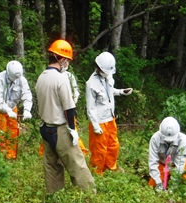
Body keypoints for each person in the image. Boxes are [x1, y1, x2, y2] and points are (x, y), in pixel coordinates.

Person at [35, 39, 96, 194]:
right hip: (60, 129)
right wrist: (72, 129)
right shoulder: (61, 79)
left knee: (52, 166)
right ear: (61, 59)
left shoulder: (41, 77)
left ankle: (54, 197)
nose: (67, 63)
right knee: (77, 164)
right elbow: (69, 108)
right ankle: (89, 195)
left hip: (44, 128)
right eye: (67, 60)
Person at [86, 51, 133, 176]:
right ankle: (97, 172)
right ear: (99, 68)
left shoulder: (108, 76)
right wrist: (95, 126)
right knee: (99, 149)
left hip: (110, 118)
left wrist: (122, 92)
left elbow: (110, 91)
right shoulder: (91, 84)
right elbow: (90, 108)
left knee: (113, 145)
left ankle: (110, 167)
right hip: (99, 122)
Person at [38, 69, 89, 156]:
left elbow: (75, 92)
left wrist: (71, 103)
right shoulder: (51, 76)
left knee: (72, 131)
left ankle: (78, 150)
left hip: (67, 109)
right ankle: (47, 151)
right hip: (54, 111)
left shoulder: (69, 76)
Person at [0, 60, 33, 159]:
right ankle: (1, 155)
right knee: (2, 131)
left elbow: (27, 95)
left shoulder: (22, 80)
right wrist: (7, 111)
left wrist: (27, 110)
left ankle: (11, 155)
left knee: (14, 129)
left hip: (12, 107)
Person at [148, 116, 186, 191]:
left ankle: (174, 177)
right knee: (153, 184)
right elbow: (152, 162)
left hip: (181, 161)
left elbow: (180, 164)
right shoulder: (155, 139)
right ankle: (166, 177)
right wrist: (158, 183)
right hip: (163, 163)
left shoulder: (183, 140)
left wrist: (173, 187)